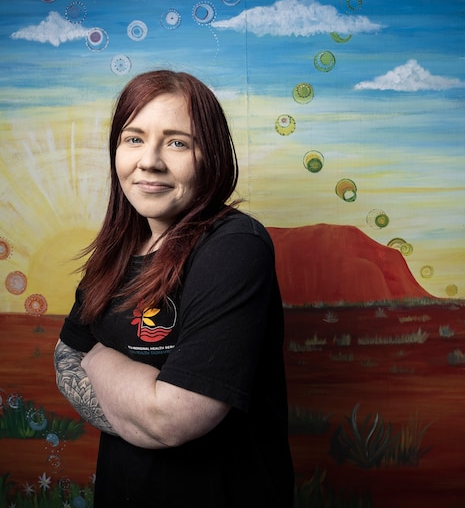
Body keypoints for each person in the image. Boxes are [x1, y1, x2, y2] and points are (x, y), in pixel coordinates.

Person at [54, 70, 294, 507]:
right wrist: (140, 407)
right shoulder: (118, 251)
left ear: (212, 155)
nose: (150, 161)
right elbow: (65, 358)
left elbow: (172, 420)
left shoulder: (234, 246)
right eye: (133, 138)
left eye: (177, 142)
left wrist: (102, 357)